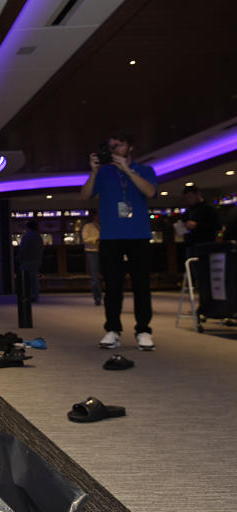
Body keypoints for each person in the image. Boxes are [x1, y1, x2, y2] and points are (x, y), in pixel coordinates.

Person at [79, 131, 158, 350]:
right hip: (110, 238)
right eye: (111, 146)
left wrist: (127, 170)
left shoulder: (145, 170)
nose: (114, 150)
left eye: (119, 145)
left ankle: (143, 330)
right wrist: (94, 171)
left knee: (142, 286)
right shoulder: (103, 174)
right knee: (113, 287)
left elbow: (150, 192)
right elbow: (85, 196)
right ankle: (112, 330)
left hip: (139, 237)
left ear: (130, 148)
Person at [181, 186, 221, 258]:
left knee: (203, 267)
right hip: (190, 245)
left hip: (206, 245)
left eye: (190, 197)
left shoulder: (208, 209)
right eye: (186, 198)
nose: (188, 200)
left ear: (198, 195)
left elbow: (217, 226)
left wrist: (197, 225)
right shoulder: (188, 211)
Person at [17, 219, 43, 302]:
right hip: (37, 259)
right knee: (34, 277)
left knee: (26, 278)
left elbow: (23, 249)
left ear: (28, 227)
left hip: (27, 260)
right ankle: (35, 294)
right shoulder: (38, 236)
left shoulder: (27, 236)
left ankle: (28, 294)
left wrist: (19, 257)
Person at [80, 210, 102, 305]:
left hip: (104, 251)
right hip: (92, 252)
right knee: (94, 276)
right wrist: (96, 239)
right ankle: (97, 297)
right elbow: (85, 239)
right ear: (94, 216)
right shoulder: (88, 226)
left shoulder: (105, 225)